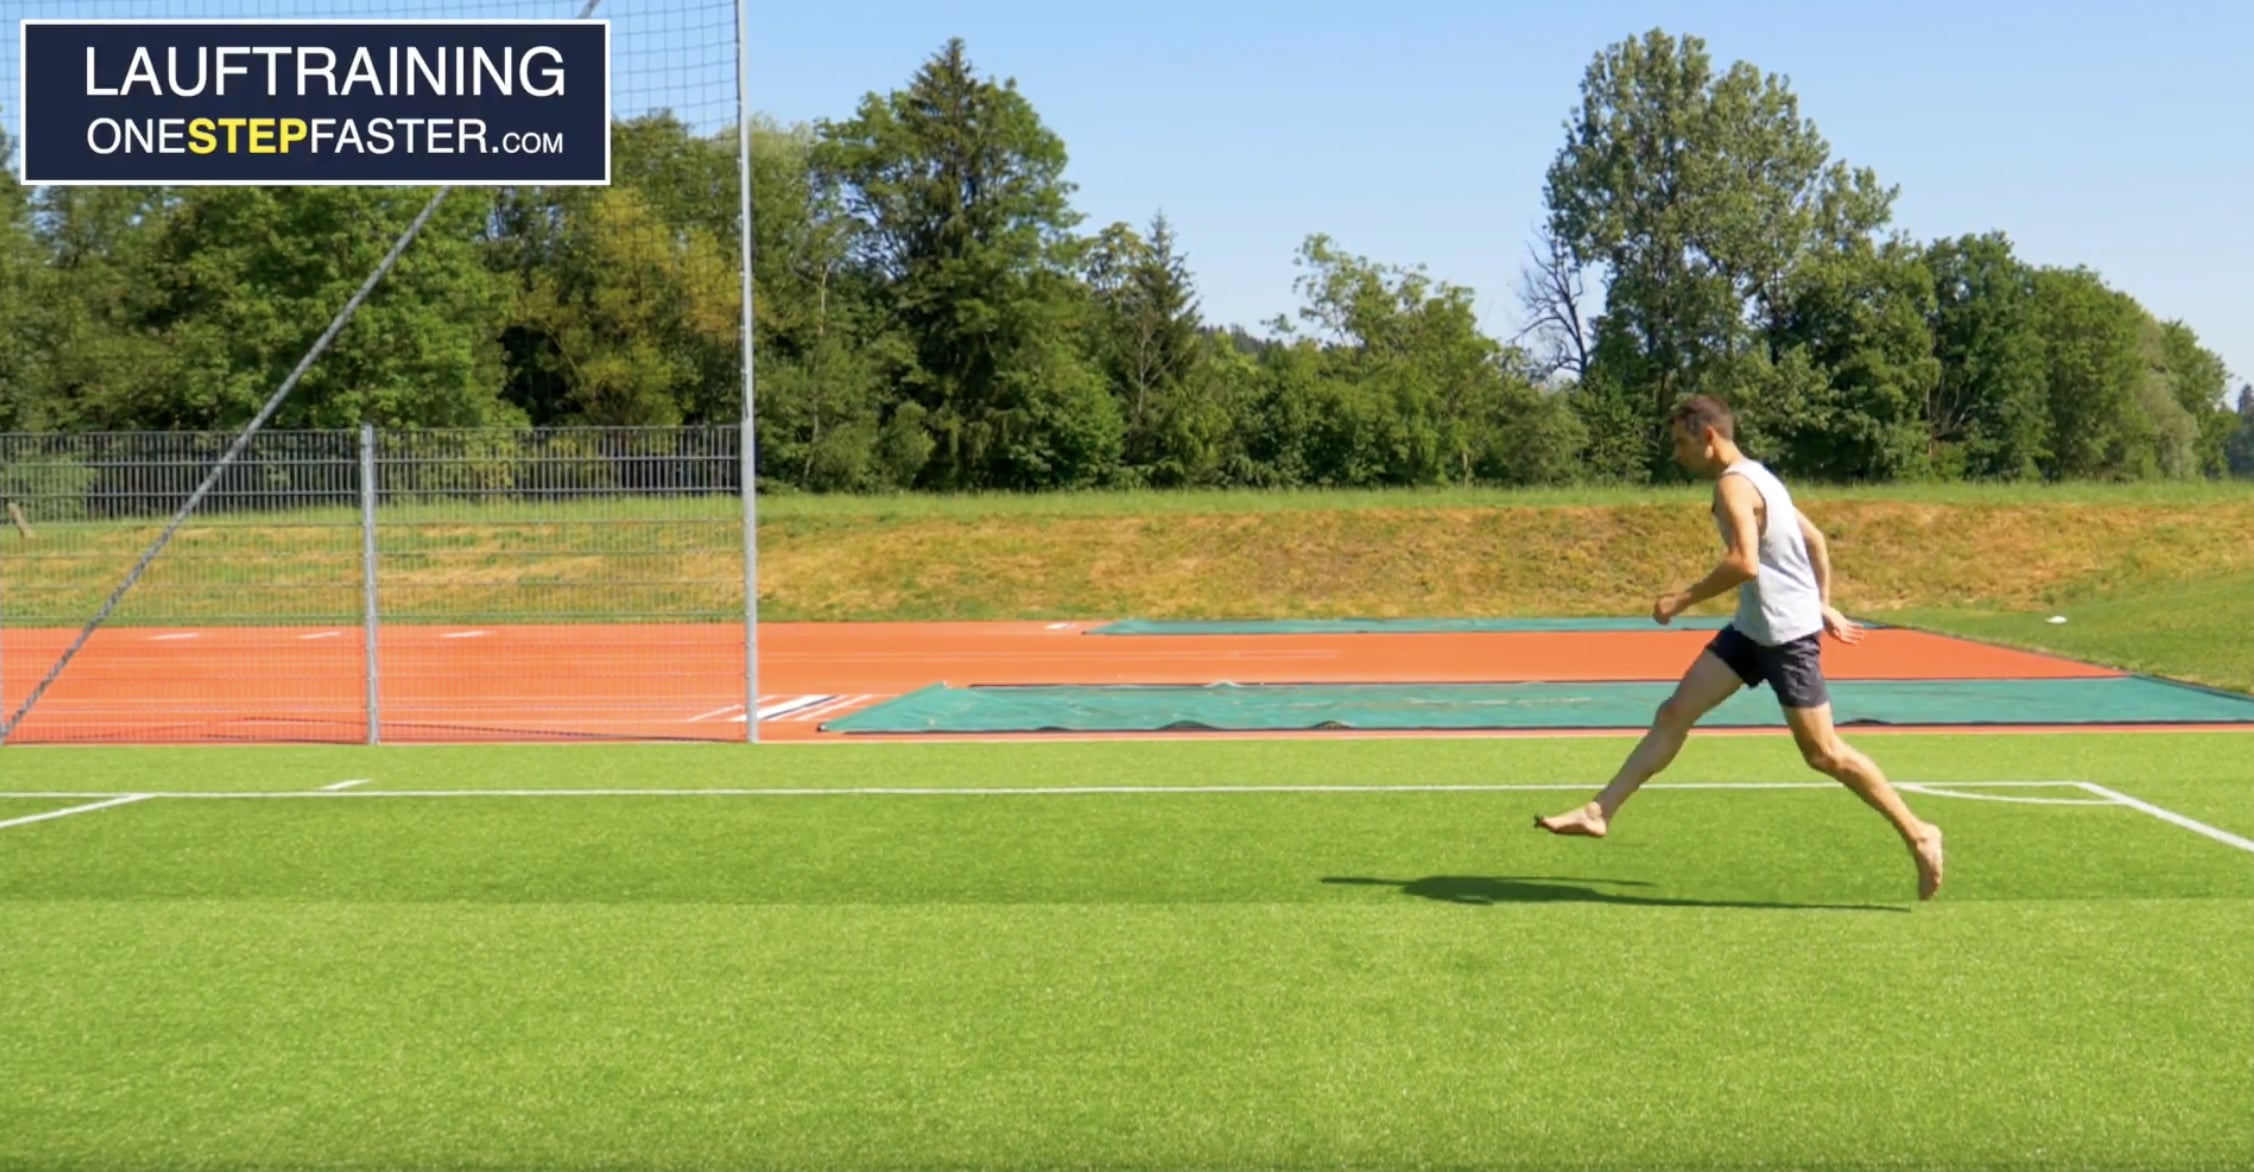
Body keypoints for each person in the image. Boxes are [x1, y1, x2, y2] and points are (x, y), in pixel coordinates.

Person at [1533, 395, 1946, 902]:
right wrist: (1823, 602)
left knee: (1825, 754)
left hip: (1787, 638)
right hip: (1753, 630)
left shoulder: (1734, 485)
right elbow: (1813, 540)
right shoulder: (1760, 476)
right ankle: (1601, 812)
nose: (1677, 454)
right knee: (1675, 711)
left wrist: (1680, 600)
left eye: (1682, 442)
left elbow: (1745, 563)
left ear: (1709, 436)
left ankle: (1919, 832)